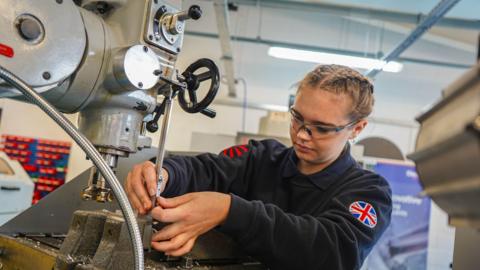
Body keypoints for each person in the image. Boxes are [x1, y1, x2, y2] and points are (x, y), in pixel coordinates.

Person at [125, 64, 392, 269]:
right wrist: (163, 172)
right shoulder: (261, 158)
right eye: (297, 118)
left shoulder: (368, 191)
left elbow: (331, 252)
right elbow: (205, 170)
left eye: (320, 128)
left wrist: (230, 210)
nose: (301, 135)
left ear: (356, 128)